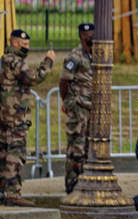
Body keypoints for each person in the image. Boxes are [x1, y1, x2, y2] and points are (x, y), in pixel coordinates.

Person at [0, 30, 55, 206]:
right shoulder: (14, 62)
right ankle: (12, 194)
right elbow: (35, 77)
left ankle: (3, 192)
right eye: (24, 44)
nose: (27, 47)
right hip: (14, 117)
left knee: (3, 153)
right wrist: (49, 61)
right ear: (14, 43)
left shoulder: (3, 61)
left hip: (5, 116)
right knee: (15, 154)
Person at [59, 23, 94, 194]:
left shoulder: (96, 55)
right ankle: (72, 185)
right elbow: (64, 81)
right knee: (76, 148)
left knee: (88, 147)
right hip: (78, 107)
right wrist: (67, 102)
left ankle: (85, 183)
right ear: (81, 35)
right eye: (88, 33)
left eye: (92, 32)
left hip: (92, 108)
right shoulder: (75, 56)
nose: (91, 36)